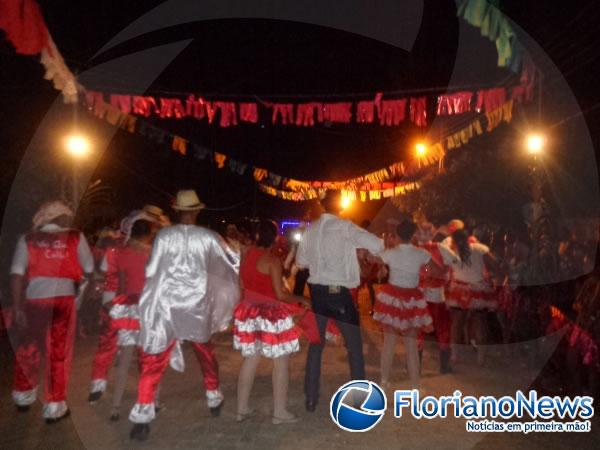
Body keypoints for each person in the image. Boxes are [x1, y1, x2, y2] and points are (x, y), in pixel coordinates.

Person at [129, 190, 240, 441]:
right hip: (195, 305)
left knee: (153, 360)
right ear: (197, 210)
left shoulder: (164, 236)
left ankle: (142, 416)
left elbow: (152, 269)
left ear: (177, 211)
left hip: (166, 304)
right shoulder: (209, 237)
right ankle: (213, 398)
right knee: (205, 354)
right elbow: (231, 262)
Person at [296, 190, 383, 412]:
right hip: (340, 295)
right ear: (341, 206)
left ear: (323, 205)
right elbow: (377, 245)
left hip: (317, 294)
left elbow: (301, 261)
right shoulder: (346, 227)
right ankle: (359, 400)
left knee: (316, 346)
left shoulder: (310, 230)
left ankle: (311, 398)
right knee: (354, 346)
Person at [10, 201, 94, 422]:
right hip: (62, 302)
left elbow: (17, 274)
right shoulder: (75, 236)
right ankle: (54, 406)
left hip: (33, 301)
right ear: (61, 219)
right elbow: (89, 268)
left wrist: (18, 307)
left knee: (28, 348)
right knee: (58, 353)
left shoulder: (27, 239)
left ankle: (23, 396)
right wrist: (80, 293)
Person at [234, 220, 308, 424]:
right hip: (270, 315)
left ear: (258, 236)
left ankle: (242, 410)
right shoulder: (272, 261)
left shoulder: (247, 255)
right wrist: (303, 300)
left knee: (251, 359)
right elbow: (280, 295)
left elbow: (242, 282)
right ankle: (279, 412)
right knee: (281, 362)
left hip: (249, 311)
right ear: (276, 238)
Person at [91, 216, 156, 421]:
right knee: (150, 358)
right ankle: (152, 402)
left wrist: (117, 307)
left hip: (128, 306)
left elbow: (120, 286)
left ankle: (116, 407)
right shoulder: (152, 254)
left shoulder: (122, 253)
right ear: (147, 235)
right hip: (147, 307)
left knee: (125, 359)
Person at [372, 220, 444, 390]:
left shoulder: (391, 252)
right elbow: (437, 270)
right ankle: (415, 387)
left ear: (397, 235)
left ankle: (384, 381)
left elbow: (375, 260)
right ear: (413, 235)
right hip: (412, 298)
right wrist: (424, 272)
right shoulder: (421, 253)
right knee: (411, 346)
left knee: (389, 343)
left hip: (391, 297)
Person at [446, 228, 499, 366]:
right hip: (478, 289)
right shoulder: (480, 249)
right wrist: (493, 276)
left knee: (457, 324)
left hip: (458, 290)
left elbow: (441, 268)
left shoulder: (451, 252)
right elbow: (494, 264)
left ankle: (454, 356)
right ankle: (481, 359)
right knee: (479, 323)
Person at [416, 222, 459, 374]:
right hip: (437, 295)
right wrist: (443, 271)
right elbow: (456, 261)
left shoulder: (414, 250)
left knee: (418, 330)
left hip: (419, 295)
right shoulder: (439, 248)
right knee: (443, 329)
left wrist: (427, 270)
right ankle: (444, 367)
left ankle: (416, 366)